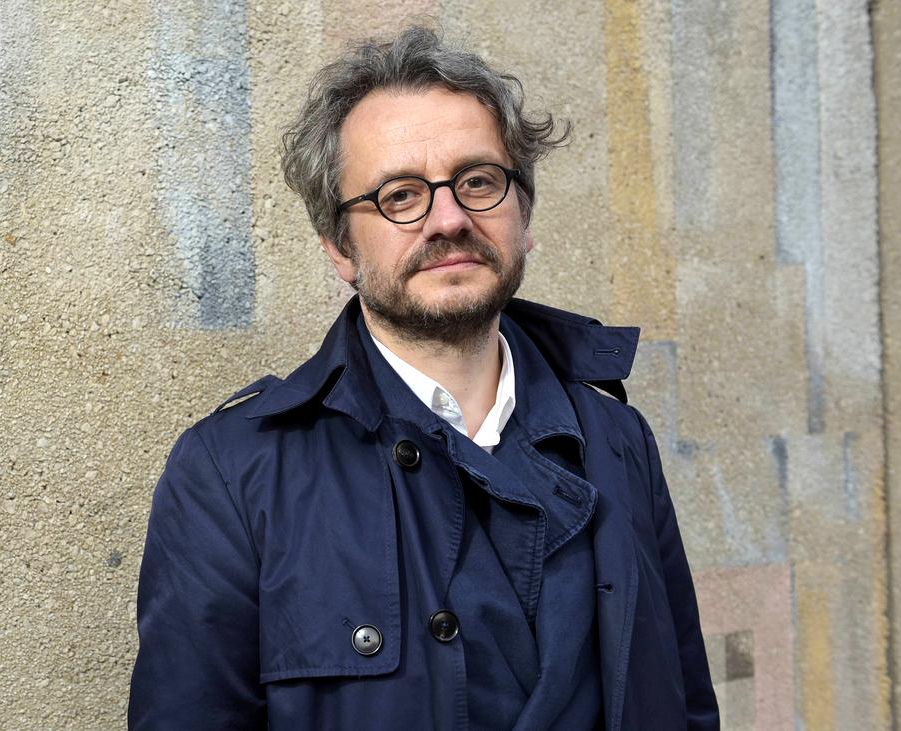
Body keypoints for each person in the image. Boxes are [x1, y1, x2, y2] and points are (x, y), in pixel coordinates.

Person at [129, 26, 718, 731]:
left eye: (478, 181)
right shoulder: (232, 471)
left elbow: (686, 705)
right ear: (339, 247)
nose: (449, 219)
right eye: (400, 195)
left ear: (524, 214)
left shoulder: (618, 438)